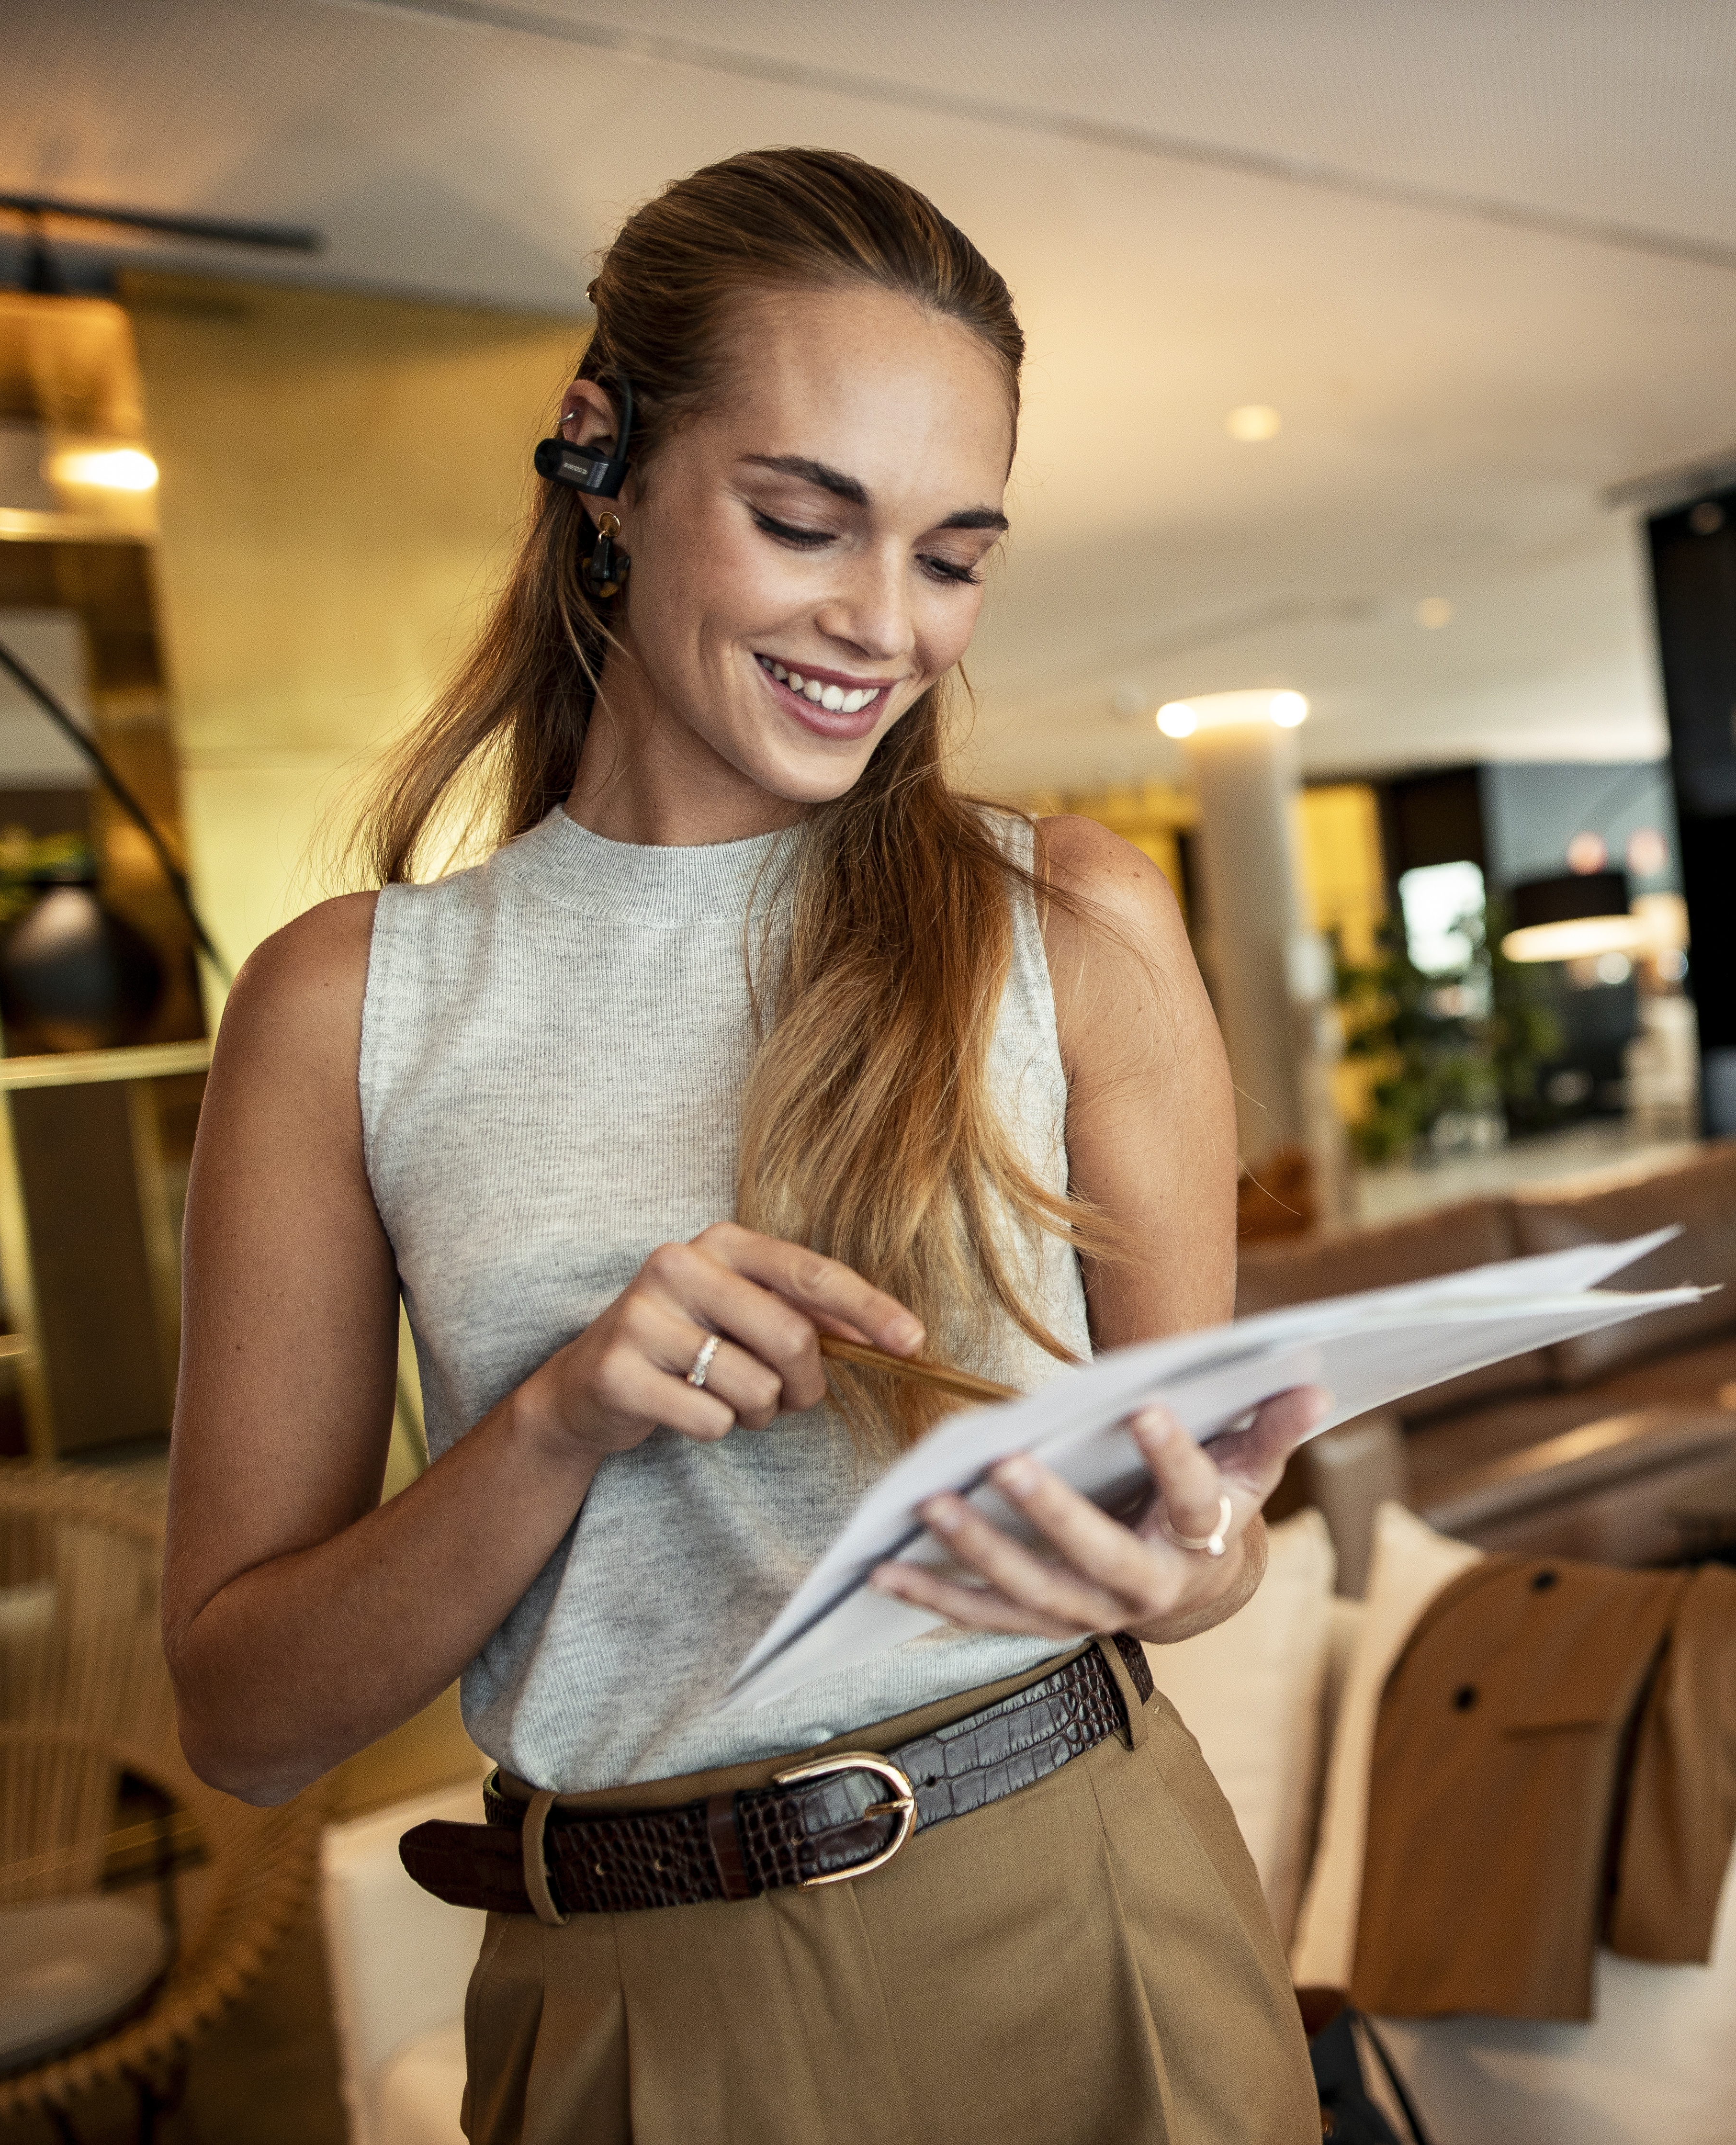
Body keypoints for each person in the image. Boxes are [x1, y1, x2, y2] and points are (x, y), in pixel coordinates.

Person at [163, 149, 1321, 2143]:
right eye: (807, 522)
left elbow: (1192, 1544)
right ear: (599, 459)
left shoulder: (1074, 923)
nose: (883, 626)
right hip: (637, 2003)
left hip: (1091, 1910)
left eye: (953, 556)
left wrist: (1206, 1558)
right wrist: (551, 1424)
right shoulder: (344, 1007)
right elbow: (244, 1721)